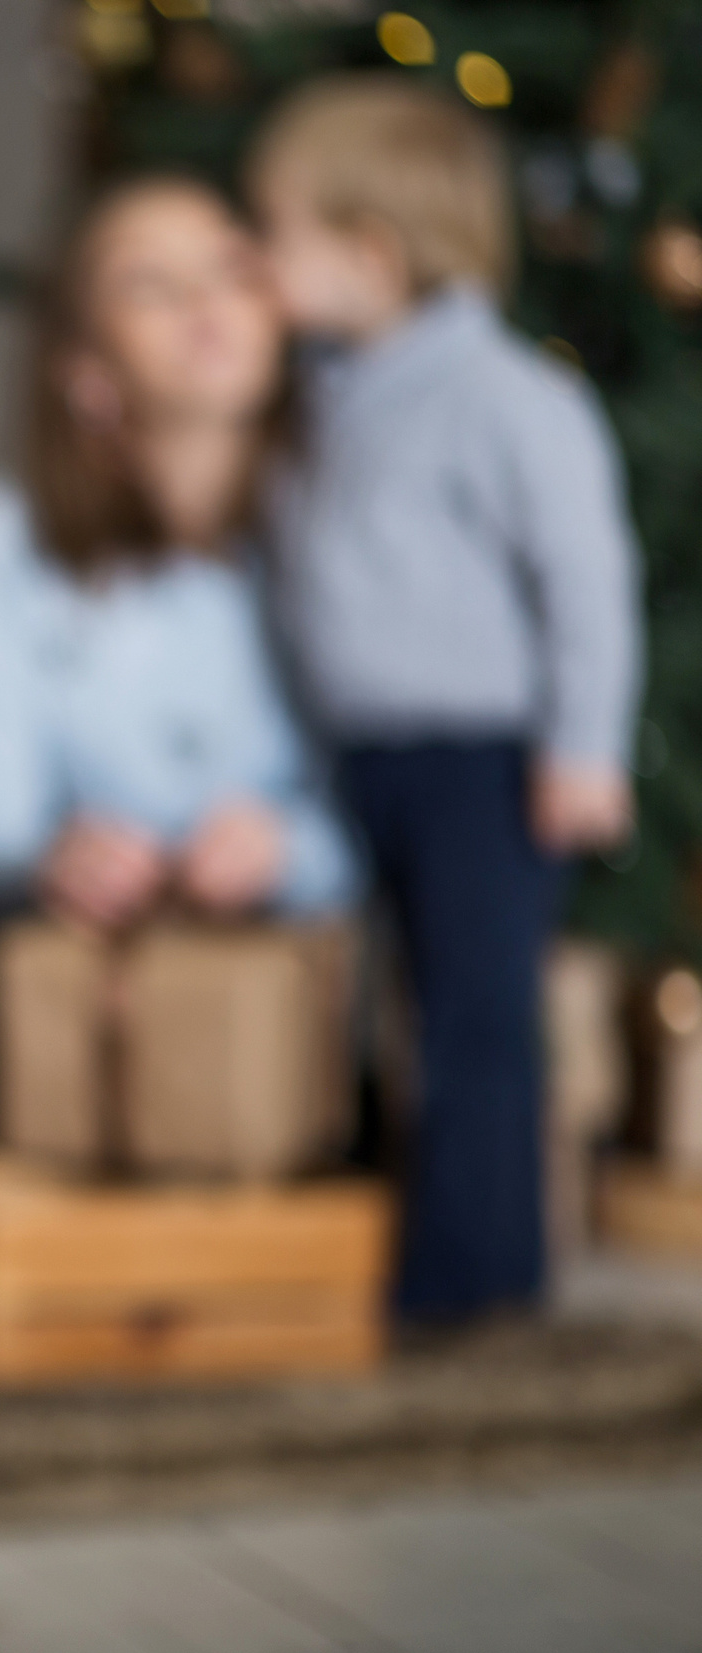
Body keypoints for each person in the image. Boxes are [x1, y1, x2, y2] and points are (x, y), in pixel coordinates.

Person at [250, 77, 642, 1319]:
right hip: (362, 756)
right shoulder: (324, 399)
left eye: (274, 235)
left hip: (484, 757)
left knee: (476, 1014)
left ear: (370, 254)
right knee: (382, 1011)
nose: (255, 261)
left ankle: (478, 1273)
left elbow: (586, 580)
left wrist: (583, 749)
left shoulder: (505, 397)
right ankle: (379, 1228)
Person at [0, 176, 354, 931]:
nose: (206, 304)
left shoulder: (353, 516)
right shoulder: (3, 538)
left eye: (233, 270)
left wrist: (292, 853)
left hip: (311, 982)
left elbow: (415, 814)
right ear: (88, 376)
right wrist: (51, 861)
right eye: (150, 285)